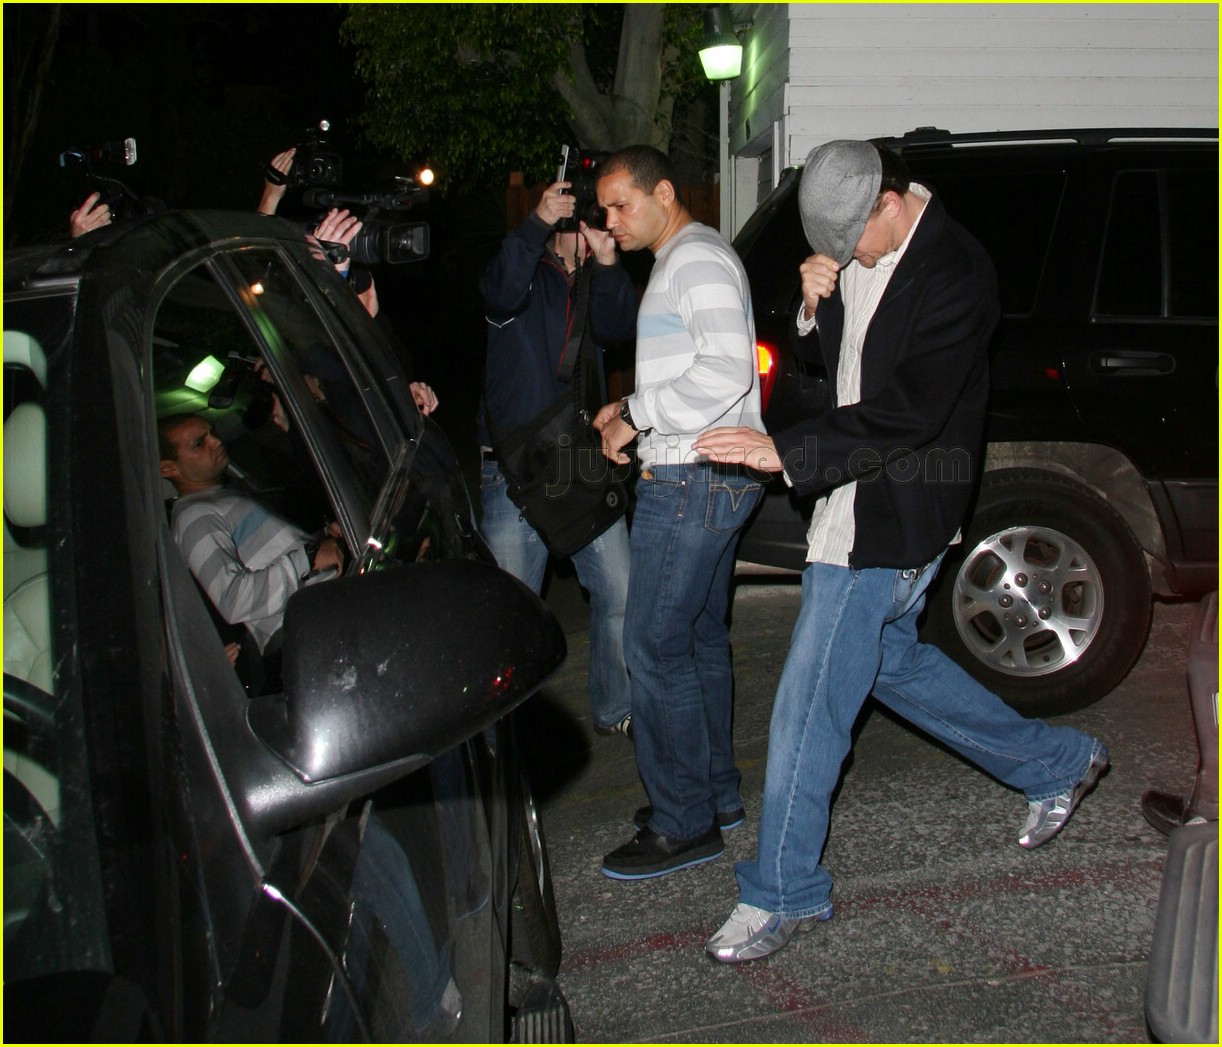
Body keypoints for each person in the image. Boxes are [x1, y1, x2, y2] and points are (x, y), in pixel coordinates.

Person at [693, 139, 1110, 963]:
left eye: (855, 245)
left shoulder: (957, 274)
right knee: (887, 665)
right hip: (852, 498)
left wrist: (787, 451)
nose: (850, 258)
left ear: (887, 202)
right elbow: (843, 365)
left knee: (809, 704)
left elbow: (910, 411)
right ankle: (1057, 762)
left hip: (892, 513)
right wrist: (812, 308)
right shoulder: (866, 240)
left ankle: (781, 891)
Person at [591, 145, 764, 879]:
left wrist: (636, 413)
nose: (610, 221)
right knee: (694, 640)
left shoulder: (693, 259)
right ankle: (712, 795)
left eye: (620, 204)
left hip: (693, 479)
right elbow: (697, 365)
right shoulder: (685, 258)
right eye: (604, 209)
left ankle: (683, 822)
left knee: (652, 648)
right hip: (708, 472)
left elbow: (727, 369)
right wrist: (632, 408)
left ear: (663, 192)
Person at [477, 176, 637, 737]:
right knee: (515, 614)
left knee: (621, 589)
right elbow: (498, 292)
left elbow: (620, 329)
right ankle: (504, 741)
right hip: (514, 469)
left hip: (576, 461)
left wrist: (608, 263)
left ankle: (615, 706)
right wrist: (537, 223)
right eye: (595, 219)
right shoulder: (523, 271)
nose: (603, 227)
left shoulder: (594, 280)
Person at [159, 413, 344, 656]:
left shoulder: (217, 498)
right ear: (168, 468)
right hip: (312, 628)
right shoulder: (194, 518)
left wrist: (322, 538)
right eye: (199, 443)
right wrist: (309, 557)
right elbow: (233, 600)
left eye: (212, 433)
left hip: (324, 612)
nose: (216, 441)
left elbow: (268, 554)